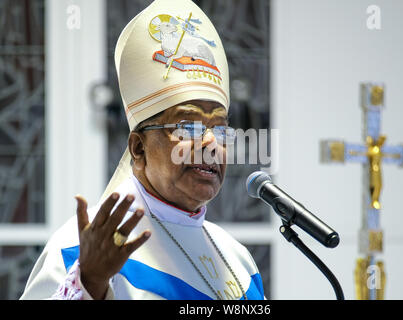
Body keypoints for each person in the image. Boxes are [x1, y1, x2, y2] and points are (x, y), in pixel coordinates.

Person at [20, 0, 264, 300]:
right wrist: (90, 282)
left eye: (220, 129)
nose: (211, 144)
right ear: (138, 147)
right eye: (189, 127)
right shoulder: (82, 249)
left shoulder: (238, 261)